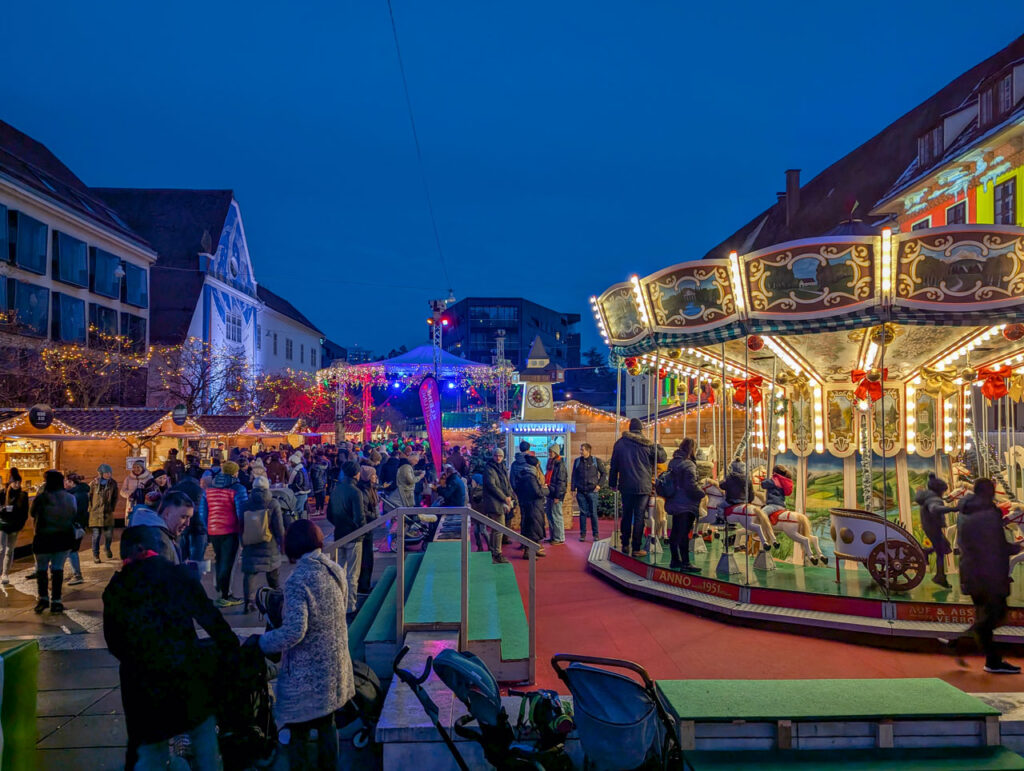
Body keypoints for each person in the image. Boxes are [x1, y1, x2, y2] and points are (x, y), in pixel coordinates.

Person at [103, 525, 239, 771]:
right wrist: (231, 649)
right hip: (185, 672)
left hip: (142, 683)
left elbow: (114, 642)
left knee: (150, 749)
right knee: (203, 737)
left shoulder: (117, 588)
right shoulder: (178, 576)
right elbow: (210, 619)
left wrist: (138, 660)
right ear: (147, 548)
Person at [258, 520, 354, 770]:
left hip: (307, 674)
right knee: (326, 723)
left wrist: (262, 642)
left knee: (298, 729)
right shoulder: (334, 569)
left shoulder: (297, 580)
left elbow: (294, 632)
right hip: (335, 667)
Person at [949, 478, 1021, 674]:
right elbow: (996, 545)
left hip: (971, 573)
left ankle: (991, 659)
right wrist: (1017, 546)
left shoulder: (965, 513)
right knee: (996, 615)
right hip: (989, 574)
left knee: (986, 615)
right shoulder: (989, 514)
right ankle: (964, 641)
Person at [608, 418, 667, 557]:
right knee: (639, 516)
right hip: (643, 486)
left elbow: (614, 466)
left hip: (626, 485)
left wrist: (612, 483)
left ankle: (625, 544)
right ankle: (636, 548)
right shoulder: (647, 444)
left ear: (630, 428)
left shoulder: (620, 443)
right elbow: (662, 458)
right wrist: (658, 445)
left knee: (627, 515)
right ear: (641, 429)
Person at [200, 460, 248, 607]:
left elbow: (203, 512)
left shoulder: (209, 488)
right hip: (230, 529)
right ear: (235, 472)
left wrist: (207, 527)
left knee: (220, 560)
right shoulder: (237, 488)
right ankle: (225, 595)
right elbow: (242, 512)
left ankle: (221, 590)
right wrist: (243, 531)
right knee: (228, 562)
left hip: (214, 529)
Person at [31, 470, 77, 614]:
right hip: (63, 538)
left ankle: (43, 599)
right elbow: (74, 513)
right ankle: (56, 601)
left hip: (43, 538)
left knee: (41, 569)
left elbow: (32, 513)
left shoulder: (41, 498)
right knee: (58, 569)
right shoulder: (70, 498)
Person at [240, 476, 285, 612]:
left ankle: (249, 602)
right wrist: (281, 542)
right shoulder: (272, 503)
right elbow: (279, 527)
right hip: (268, 543)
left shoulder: (245, 504)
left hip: (250, 543)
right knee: (273, 573)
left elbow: (241, 525)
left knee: (250, 574)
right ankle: (275, 600)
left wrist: (242, 541)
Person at [327, 461, 364, 615]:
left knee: (339, 572)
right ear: (356, 473)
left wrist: (339, 523)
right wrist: (360, 528)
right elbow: (359, 517)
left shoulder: (335, 490)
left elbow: (329, 514)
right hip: (354, 536)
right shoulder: (356, 492)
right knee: (352, 575)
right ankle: (351, 606)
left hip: (339, 534)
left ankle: (339, 603)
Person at [123, 489, 196, 564]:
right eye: (184, 517)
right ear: (167, 514)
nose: (188, 523)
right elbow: (160, 574)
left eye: (189, 518)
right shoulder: (159, 542)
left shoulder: (162, 534)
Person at [665, 438, 704, 573]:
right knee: (683, 533)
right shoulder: (688, 465)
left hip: (674, 501)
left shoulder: (673, 462)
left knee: (675, 532)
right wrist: (701, 493)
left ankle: (675, 559)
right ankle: (686, 562)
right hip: (686, 504)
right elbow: (691, 486)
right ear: (691, 449)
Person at [722, 459, 778, 551]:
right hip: (745, 501)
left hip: (734, 500)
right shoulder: (748, 479)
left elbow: (723, 486)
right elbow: (751, 493)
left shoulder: (731, 478)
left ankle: (719, 520)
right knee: (750, 525)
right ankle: (771, 539)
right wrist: (749, 500)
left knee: (720, 507)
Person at [916, 473, 957, 589]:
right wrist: (953, 508)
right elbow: (934, 508)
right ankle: (940, 576)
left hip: (929, 527)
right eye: (943, 491)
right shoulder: (934, 499)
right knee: (941, 552)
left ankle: (929, 554)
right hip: (934, 528)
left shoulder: (927, 496)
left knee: (945, 547)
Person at [480, 449, 514, 564]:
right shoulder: (490, 468)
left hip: (500, 500)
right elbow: (492, 485)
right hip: (494, 502)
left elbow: (506, 483)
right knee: (499, 528)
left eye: (500, 456)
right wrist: (504, 497)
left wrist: (509, 495)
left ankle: (494, 551)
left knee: (497, 529)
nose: (498, 458)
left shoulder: (501, 467)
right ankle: (496, 553)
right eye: (496, 456)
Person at [513, 455, 548, 558]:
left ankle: (535, 548)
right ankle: (528, 551)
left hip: (531, 504)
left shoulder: (525, 475)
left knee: (534, 527)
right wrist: (546, 490)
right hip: (532, 505)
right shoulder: (530, 477)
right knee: (532, 528)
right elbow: (537, 492)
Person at [572, 443, 606, 542]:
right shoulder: (577, 461)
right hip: (581, 491)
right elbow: (574, 475)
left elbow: (604, 473)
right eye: (580, 449)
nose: (580, 451)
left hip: (593, 491)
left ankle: (596, 534)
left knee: (593, 513)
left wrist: (599, 485)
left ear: (588, 451)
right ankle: (582, 534)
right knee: (582, 513)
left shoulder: (596, 461)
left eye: (582, 450)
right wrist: (573, 489)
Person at [0, 473, 29, 584]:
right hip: (3, 524)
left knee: (9, 550)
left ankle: (5, 574)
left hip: (15, 526)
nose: (17, 484)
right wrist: (2, 509)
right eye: (15, 482)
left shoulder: (23, 495)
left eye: (18, 482)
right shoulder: (2, 494)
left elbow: (25, 512)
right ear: (10, 482)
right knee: (1, 549)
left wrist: (20, 524)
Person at [64, 472, 90, 585]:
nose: (65, 483)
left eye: (66, 481)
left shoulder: (76, 495)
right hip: (78, 525)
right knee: (69, 550)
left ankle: (77, 575)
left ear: (71, 482)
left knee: (71, 550)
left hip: (74, 526)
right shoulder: (80, 493)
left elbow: (75, 512)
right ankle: (72, 573)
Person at [88, 464, 119, 563]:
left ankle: (107, 547)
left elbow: (115, 497)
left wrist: (112, 508)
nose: (109, 474)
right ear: (101, 473)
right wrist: (90, 508)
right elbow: (89, 496)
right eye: (106, 473)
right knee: (96, 535)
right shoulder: (93, 484)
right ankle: (96, 555)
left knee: (109, 534)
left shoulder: (113, 483)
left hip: (107, 512)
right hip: (96, 513)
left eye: (110, 473)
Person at [356, 465, 379, 594]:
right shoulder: (363, 491)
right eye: (374, 475)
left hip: (368, 529)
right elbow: (363, 512)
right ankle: (363, 585)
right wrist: (375, 518)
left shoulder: (370, 489)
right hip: (364, 529)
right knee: (365, 558)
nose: (376, 477)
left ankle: (365, 584)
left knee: (367, 557)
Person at [544, 445, 568, 545]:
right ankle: (553, 536)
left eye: (551, 452)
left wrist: (558, 496)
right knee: (550, 515)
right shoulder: (551, 463)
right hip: (550, 492)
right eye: (549, 452)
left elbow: (561, 482)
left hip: (555, 494)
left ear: (556, 453)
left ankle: (559, 538)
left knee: (556, 515)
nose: (549, 453)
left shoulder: (559, 465)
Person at [288, 453, 312, 519]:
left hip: (300, 492)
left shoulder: (298, 470)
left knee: (299, 510)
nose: (290, 464)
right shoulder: (301, 468)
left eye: (291, 462)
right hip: (303, 491)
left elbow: (299, 483)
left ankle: (300, 523)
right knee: (302, 509)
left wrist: (291, 486)